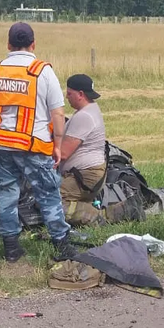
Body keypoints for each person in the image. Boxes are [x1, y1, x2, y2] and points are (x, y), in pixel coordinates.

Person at [0, 22, 78, 262]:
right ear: (33, 44)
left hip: (1, 146)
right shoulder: (41, 71)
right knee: (48, 194)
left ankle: (12, 248)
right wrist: (57, 144)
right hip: (34, 146)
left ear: (8, 45)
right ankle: (62, 247)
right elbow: (57, 113)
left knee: (7, 195)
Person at [59, 74, 108, 226]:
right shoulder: (90, 110)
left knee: (51, 201)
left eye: (69, 93)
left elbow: (63, 153)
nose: (67, 97)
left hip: (86, 176)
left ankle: (100, 215)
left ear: (81, 94)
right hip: (86, 174)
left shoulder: (84, 116)